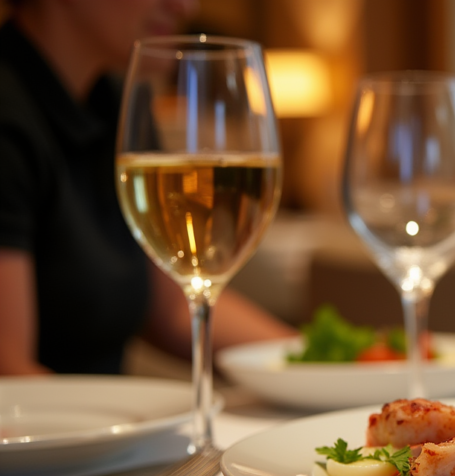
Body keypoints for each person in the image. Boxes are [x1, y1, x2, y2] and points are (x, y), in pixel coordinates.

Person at [0, 0, 296, 375]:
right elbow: (8, 376)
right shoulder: (10, 119)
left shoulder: (110, 102)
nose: (186, 6)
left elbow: (170, 308)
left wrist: (326, 362)